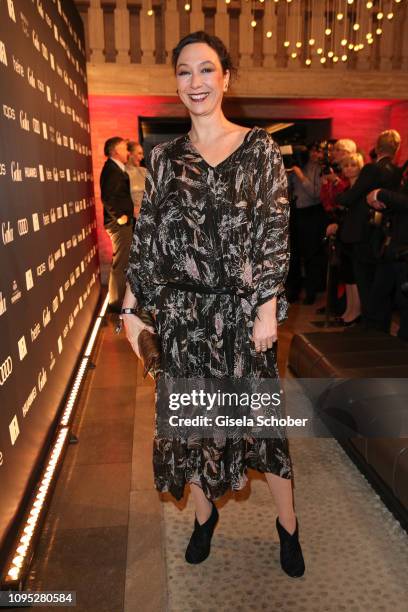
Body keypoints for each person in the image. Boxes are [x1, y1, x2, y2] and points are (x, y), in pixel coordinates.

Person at [121, 31, 305, 577]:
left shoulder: (260, 149)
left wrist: (267, 305)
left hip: (242, 315)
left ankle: (288, 525)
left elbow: (275, 229)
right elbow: (149, 236)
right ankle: (204, 518)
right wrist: (131, 308)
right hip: (181, 319)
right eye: (184, 72)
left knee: (263, 426)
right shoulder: (165, 158)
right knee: (193, 424)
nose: (195, 82)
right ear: (175, 82)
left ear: (227, 77)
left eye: (206, 70)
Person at [335, 130, 402, 325]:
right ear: (397, 149)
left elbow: (351, 196)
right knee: (379, 285)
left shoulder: (372, 169)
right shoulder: (397, 171)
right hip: (385, 233)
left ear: (377, 146)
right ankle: (377, 324)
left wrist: (339, 198)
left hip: (364, 233)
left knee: (365, 282)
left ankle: (370, 326)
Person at [325, 153, 365, 325]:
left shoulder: (360, 190)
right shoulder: (348, 189)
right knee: (347, 276)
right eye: (346, 165)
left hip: (356, 237)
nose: (348, 168)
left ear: (360, 167)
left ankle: (355, 312)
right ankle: (350, 310)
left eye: (353, 165)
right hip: (345, 236)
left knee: (354, 277)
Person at [366, 178, 408, 339]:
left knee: (402, 301)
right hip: (396, 246)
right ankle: (376, 338)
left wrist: (380, 194)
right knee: (380, 294)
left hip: (403, 249)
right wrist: (381, 203)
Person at [286, 142, 326, 304]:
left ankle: (311, 292)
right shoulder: (293, 166)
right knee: (294, 255)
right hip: (295, 213)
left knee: (311, 255)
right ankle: (293, 291)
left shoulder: (315, 168)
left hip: (311, 214)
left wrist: (301, 176)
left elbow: (316, 194)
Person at [100, 136, 134, 313]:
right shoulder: (111, 170)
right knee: (120, 263)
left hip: (124, 222)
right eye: (123, 148)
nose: (127, 152)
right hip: (119, 224)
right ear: (114, 151)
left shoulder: (115, 168)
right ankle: (116, 302)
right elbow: (107, 197)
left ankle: (121, 300)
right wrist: (120, 216)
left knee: (123, 261)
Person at [126, 141, 147, 219]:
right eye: (139, 153)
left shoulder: (143, 171)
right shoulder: (122, 173)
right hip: (130, 219)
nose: (142, 157)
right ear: (130, 154)